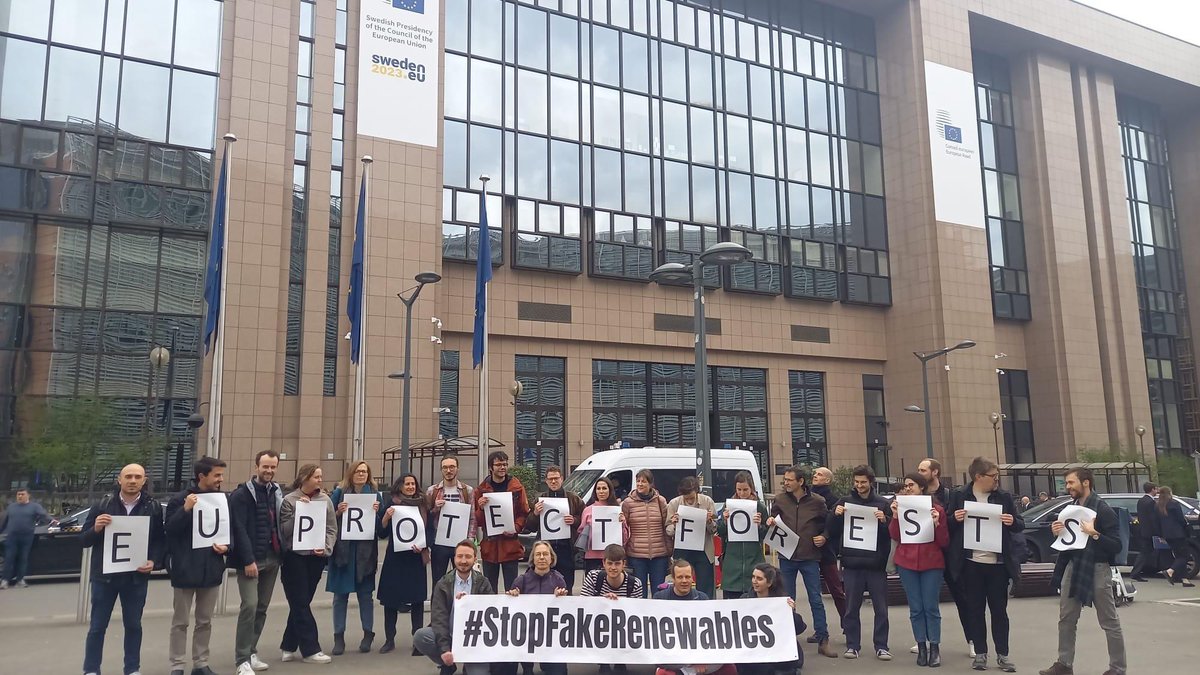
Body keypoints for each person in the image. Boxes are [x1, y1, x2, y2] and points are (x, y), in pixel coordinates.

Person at [81, 464, 166, 675]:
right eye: (128, 476)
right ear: (119, 479)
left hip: (135, 578)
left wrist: (153, 561)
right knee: (98, 627)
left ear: (144, 481)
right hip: (105, 577)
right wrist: (96, 528)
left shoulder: (153, 507)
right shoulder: (103, 504)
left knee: (134, 626)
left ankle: (132, 669)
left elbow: (159, 541)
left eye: (137, 477)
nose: (133, 480)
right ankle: (91, 669)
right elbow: (83, 540)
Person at [1039, 468, 1125, 675]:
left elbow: (1117, 545)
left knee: (1109, 620)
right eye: (1067, 483)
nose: (1067, 487)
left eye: (1071, 483)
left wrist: (1094, 534)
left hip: (1097, 567)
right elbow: (1067, 541)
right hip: (1072, 565)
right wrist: (1057, 532)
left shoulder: (1102, 510)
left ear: (1086, 483)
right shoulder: (1071, 509)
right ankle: (1064, 664)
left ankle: (1118, 668)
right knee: (1066, 618)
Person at [948, 457, 1023, 672]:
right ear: (978, 477)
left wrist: (1012, 522)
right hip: (971, 563)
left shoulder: (1004, 497)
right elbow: (946, 524)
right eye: (993, 476)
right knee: (975, 610)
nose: (996, 480)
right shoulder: (959, 495)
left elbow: (1019, 524)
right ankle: (980, 653)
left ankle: (1003, 654)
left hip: (998, 564)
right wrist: (955, 518)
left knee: (999, 611)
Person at [165, 456, 230, 675]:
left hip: (210, 568)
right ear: (202, 476)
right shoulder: (180, 499)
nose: (220, 479)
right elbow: (170, 530)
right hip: (185, 567)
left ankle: (201, 663)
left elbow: (229, 531)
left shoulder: (222, 500)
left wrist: (226, 548)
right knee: (180, 621)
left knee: (205, 621)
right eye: (217, 475)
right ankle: (177, 665)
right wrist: (186, 509)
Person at [767, 465, 838, 658]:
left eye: (790, 480)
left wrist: (824, 536)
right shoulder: (780, 499)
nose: (786, 483)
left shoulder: (818, 501)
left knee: (816, 599)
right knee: (788, 600)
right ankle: (788, 639)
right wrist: (770, 520)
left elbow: (828, 524)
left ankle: (823, 639)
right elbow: (773, 516)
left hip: (810, 556)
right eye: (785, 480)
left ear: (801, 482)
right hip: (787, 556)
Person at [825, 465, 891, 661]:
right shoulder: (844, 502)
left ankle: (882, 646)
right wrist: (834, 514)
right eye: (857, 482)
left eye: (863, 482)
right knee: (851, 608)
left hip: (876, 564)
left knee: (881, 609)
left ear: (871, 482)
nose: (859, 485)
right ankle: (853, 645)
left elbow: (893, 532)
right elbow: (831, 530)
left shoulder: (882, 503)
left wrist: (885, 520)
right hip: (852, 563)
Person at [229, 449, 283, 675]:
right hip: (251, 560)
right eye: (265, 467)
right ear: (256, 467)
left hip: (272, 558)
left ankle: (251, 651)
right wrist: (248, 560)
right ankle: (242, 659)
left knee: (261, 607)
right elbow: (238, 528)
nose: (269, 471)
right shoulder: (242, 494)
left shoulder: (277, 491)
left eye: (272, 467)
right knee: (249, 606)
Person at [278, 464, 337, 664]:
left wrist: (326, 547)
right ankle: (311, 649)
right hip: (294, 557)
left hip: (315, 558)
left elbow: (331, 528)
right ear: (305, 478)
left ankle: (288, 645)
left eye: (321, 476)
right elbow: (284, 531)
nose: (320, 480)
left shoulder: (325, 500)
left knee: (300, 602)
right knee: (300, 602)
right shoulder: (289, 500)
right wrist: (298, 512)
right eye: (317, 477)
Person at [891, 472, 949, 668]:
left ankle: (935, 646)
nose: (908, 489)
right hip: (907, 562)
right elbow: (895, 535)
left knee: (930, 606)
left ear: (922, 488)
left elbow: (944, 542)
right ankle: (921, 645)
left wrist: (937, 524)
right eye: (906, 486)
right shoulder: (901, 507)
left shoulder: (937, 509)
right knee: (915, 608)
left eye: (911, 485)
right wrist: (895, 517)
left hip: (931, 563)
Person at [413, 540, 495, 675]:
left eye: (468, 557)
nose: (463, 561)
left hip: (474, 640)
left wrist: (471, 601)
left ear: (475, 559)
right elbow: (438, 619)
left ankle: (468, 665)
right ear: (454, 558)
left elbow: (492, 611)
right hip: (450, 635)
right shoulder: (443, 584)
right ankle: (447, 664)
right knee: (420, 637)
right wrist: (445, 650)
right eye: (460, 556)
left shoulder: (482, 582)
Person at [326, 461, 382, 655]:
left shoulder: (375, 495)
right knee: (340, 596)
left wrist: (377, 513)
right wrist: (338, 511)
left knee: (365, 596)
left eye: (365, 472)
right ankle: (338, 636)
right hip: (343, 552)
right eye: (358, 471)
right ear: (351, 474)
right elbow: (327, 519)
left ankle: (368, 633)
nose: (361, 474)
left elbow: (382, 530)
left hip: (365, 554)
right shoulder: (338, 493)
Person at [917, 457, 970, 658]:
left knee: (962, 598)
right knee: (924, 601)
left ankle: (972, 639)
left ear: (935, 472)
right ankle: (924, 639)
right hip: (927, 554)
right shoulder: (916, 497)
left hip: (949, 555)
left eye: (923, 470)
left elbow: (953, 523)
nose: (920, 473)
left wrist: (947, 519)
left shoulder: (950, 495)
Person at [377, 474, 431, 654]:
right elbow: (381, 533)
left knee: (417, 600)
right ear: (400, 486)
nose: (410, 487)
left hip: (415, 559)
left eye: (413, 484)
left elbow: (430, 531)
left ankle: (418, 641)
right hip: (395, 558)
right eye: (407, 484)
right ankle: (389, 639)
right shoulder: (392, 503)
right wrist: (385, 517)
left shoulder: (423, 504)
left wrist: (423, 545)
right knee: (390, 600)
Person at [653, 559, 736, 675]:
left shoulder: (702, 598)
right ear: (673, 578)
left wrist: (701, 659)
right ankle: (686, 670)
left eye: (687, 577)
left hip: (698, 651)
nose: (684, 581)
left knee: (729, 667)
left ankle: (686, 672)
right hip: (672, 652)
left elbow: (710, 633)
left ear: (692, 578)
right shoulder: (660, 598)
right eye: (680, 577)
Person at [506, 541, 569, 675]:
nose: (541, 557)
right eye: (538, 554)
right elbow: (511, 611)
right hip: (526, 632)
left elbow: (565, 612)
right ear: (533, 559)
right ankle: (526, 666)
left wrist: (562, 598)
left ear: (551, 558)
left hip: (550, 634)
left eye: (545, 554)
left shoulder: (559, 580)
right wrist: (512, 596)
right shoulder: (521, 580)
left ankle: (546, 663)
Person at [581, 544, 642, 675]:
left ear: (623, 564)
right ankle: (604, 660)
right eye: (609, 563)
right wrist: (603, 602)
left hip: (623, 626)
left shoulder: (635, 583)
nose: (613, 568)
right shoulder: (593, 577)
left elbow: (636, 615)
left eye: (617, 564)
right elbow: (583, 605)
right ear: (603, 563)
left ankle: (621, 659)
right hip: (599, 624)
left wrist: (618, 605)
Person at [736, 563, 806, 675]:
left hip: (776, 650)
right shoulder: (745, 599)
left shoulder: (781, 602)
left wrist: (790, 613)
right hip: (753, 649)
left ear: (769, 583)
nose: (754, 581)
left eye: (759, 578)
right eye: (753, 577)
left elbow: (799, 628)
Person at [474, 450, 529, 593]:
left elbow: (524, 513)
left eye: (505, 464)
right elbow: (477, 521)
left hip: (510, 545)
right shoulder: (480, 490)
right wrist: (480, 508)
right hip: (489, 546)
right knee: (490, 589)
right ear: (491, 468)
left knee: (512, 589)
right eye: (498, 465)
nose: (502, 467)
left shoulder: (517, 488)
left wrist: (516, 527)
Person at [528, 466, 584, 592]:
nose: (553, 482)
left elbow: (584, 520)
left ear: (562, 479)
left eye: (556, 478)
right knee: (544, 587)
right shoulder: (540, 500)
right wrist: (535, 514)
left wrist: (574, 520)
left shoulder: (573, 499)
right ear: (546, 481)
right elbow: (529, 526)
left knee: (566, 587)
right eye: (550, 479)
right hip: (547, 549)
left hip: (566, 550)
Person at [715, 471, 768, 599]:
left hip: (753, 559)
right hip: (732, 563)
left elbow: (766, 534)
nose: (742, 493)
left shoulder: (759, 506)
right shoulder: (729, 505)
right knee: (732, 604)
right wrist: (725, 521)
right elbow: (720, 532)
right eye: (739, 489)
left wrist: (759, 525)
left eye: (745, 489)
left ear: (751, 489)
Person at [810, 467, 849, 635]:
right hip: (809, 549)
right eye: (815, 474)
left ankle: (848, 624)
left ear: (827, 480)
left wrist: (825, 536)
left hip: (827, 551)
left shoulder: (834, 500)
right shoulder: (806, 497)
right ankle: (820, 630)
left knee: (836, 589)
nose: (815, 476)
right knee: (814, 593)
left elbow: (836, 525)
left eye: (819, 474)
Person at [621, 469, 672, 597]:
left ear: (650, 484)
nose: (640, 484)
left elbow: (666, 524)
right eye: (638, 481)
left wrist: (669, 550)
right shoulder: (627, 503)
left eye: (643, 481)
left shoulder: (661, 501)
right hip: (636, 554)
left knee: (659, 591)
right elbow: (624, 528)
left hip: (659, 554)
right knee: (639, 591)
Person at [425, 454, 475, 585]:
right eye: (445, 467)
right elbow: (425, 516)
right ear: (441, 470)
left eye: (452, 467)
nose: (448, 470)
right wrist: (435, 508)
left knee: (462, 579)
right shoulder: (432, 491)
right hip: (438, 542)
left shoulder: (467, 491)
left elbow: (472, 517)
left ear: (457, 469)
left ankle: (459, 605)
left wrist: (470, 539)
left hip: (460, 542)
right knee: (438, 580)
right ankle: (439, 605)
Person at [665, 476, 717, 598]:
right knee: (681, 582)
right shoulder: (674, 503)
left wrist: (709, 521)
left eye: (691, 498)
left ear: (697, 492)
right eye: (686, 498)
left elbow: (714, 530)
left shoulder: (707, 502)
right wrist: (674, 524)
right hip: (683, 548)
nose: (689, 501)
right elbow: (668, 530)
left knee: (706, 586)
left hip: (704, 549)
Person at [0, 487, 55, 588]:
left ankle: (20, 580)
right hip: (12, 537)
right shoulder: (12, 507)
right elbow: (4, 521)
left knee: (23, 558)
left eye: (22, 494)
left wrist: (52, 520)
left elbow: (43, 515)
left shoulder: (34, 507)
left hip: (26, 537)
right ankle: (5, 580)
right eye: (18, 494)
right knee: (9, 558)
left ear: (28, 495)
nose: (20, 496)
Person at [578, 477, 629, 573]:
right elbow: (581, 535)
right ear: (595, 491)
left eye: (604, 488)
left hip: (613, 556)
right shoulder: (588, 510)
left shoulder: (617, 510)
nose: (601, 491)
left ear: (610, 490)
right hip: (592, 557)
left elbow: (624, 538)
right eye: (598, 488)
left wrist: (622, 523)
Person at [1157, 486, 1195, 587]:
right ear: (1169, 493)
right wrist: (1186, 526)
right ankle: (1170, 571)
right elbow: (1180, 519)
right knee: (1185, 555)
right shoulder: (1173, 504)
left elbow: (1158, 522)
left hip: (1167, 535)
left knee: (1178, 556)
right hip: (1178, 534)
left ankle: (1185, 579)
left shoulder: (1158, 505)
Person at [1129, 482, 1159, 582]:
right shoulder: (1151, 502)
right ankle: (1136, 572)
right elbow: (1153, 519)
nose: (1157, 490)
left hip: (1142, 530)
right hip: (1148, 531)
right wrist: (1158, 531)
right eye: (1156, 489)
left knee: (1146, 551)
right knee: (1144, 552)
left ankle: (1143, 570)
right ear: (1152, 489)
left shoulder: (1141, 501)